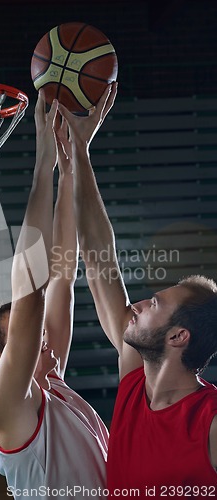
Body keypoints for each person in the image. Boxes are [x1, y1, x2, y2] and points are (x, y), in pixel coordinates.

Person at [58, 82, 217, 495]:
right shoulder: (135, 378)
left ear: (178, 335)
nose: (138, 305)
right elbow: (98, 258)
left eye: (155, 304)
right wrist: (80, 152)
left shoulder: (210, 420)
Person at [0, 92, 109, 499]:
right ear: (0, 360)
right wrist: (44, 162)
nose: (43, 334)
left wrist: (74, 161)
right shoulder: (6, 409)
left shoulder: (49, 379)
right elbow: (33, 290)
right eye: (25, 332)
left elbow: (60, 275)